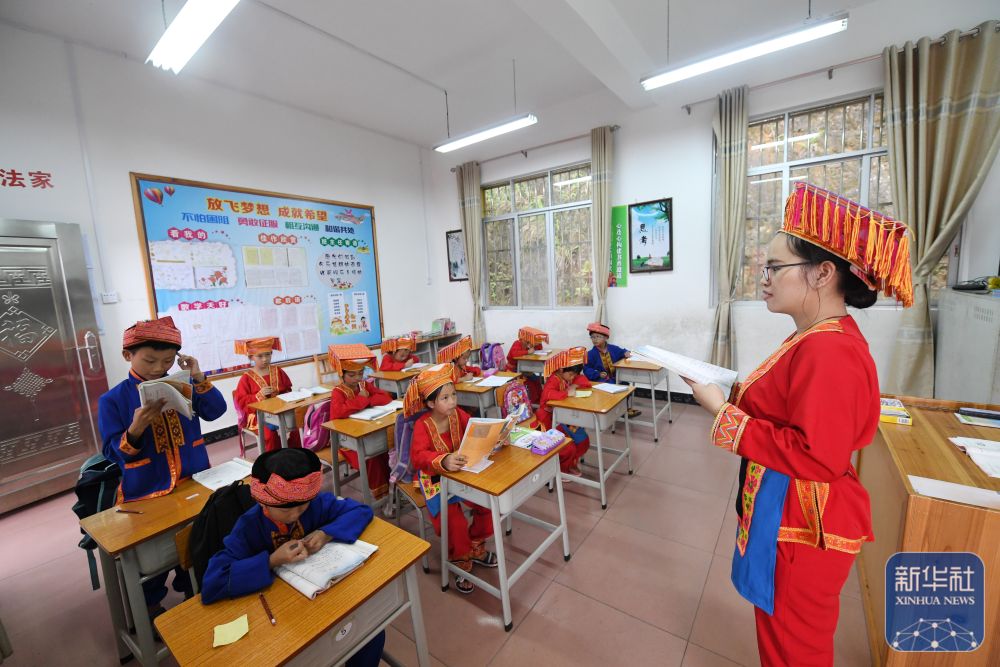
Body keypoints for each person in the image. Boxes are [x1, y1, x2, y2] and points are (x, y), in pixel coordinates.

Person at [684, 183, 912, 666]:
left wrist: (723, 414)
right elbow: (790, 410)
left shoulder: (829, 349)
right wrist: (729, 393)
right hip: (788, 510)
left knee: (793, 651)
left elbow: (818, 456)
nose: (764, 279)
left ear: (822, 273)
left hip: (804, 524)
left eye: (774, 267)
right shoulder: (816, 336)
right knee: (785, 643)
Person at [200, 449, 383, 666]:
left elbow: (361, 511)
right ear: (263, 503)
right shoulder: (248, 527)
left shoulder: (314, 504)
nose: (296, 515)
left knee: (372, 630)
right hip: (281, 616)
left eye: (301, 508)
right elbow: (213, 582)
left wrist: (326, 533)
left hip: (323, 598)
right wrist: (271, 561)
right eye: (286, 512)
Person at [98, 316, 227, 619]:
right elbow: (112, 453)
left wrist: (198, 376)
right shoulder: (113, 400)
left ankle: (192, 592)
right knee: (153, 558)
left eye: (167, 361)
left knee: (196, 545)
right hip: (146, 490)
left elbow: (216, 411)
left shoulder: (182, 385)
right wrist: (135, 430)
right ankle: (149, 607)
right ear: (127, 355)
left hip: (194, 480)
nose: (159, 368)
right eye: (150, 360)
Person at [407, 364, 497, 593]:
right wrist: (443, 460)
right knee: (453, 520)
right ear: (430, 403)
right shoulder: (422, 425)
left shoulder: (458, 415)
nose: (453, 401)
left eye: (454, 395)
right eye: (445, 398)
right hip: (434, 479)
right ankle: (459, 557)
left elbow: (475, 429)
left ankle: (475, 544)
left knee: (486, 503)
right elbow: (417, 457)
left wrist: (494, 436)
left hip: (462, 473)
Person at [328, 344, 392, 501]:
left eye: (361, 373)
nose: (358, 378)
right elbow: (339, 413)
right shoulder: (338, 392)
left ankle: (391, 490)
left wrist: (367, 400)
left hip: (366, 432)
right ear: (342, 374)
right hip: (348, 442)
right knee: (371, 458)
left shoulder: (364, 385)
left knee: (384, 451)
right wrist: (362, 400)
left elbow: (385, 398)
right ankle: (381, 495)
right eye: (352, 375)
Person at [233, 337, 299, 453]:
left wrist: (280, 393)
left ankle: (295, 454)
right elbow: (241, 402)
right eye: (260, 356)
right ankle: (274, 459)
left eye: (268, 355)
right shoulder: (246, 378)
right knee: (270, 435)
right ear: (251, 357)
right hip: (258, 415)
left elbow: (288, 390)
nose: (265, 359)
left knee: (295, 427)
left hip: (280, 410)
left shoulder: (278, 371)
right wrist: (258, 395)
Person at [536, 347, 592, 476]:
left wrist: (574, 385)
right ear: (561, 369)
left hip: (563, 418)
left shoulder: (566, 377)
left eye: (574, 375)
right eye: (571, 374)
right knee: (567, 446)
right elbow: (547, 394)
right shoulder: (553, 379)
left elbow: (584, 381)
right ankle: (562, 469)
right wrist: (567, 393)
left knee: (583, 439)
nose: (572, 377)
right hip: (548, 422)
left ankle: (571, 462)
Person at [583, 322, 640, 418]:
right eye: (592, 337)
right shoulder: (590, 354)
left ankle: (624, 409)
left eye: (598, 336)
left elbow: (622, 352)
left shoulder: (613, 349)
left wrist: (626, 353)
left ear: (606, 337)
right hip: (599, 381)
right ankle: (611, 411)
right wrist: (598, 374)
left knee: (625, 386)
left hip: (614, 378)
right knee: (610, 389)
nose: (595, 339)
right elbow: (586, 369)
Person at [505, 326, 548, 404]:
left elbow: (539, 349)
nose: (529, 341)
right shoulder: (517, 343)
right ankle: (532, 403)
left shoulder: (528, 345)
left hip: (524, 369)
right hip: (513, 370)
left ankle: (540, 399)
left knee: (536, 380)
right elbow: (514, 354)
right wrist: (527, 352)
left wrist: (537, 343)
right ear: (524, 338)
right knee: (529, 383)